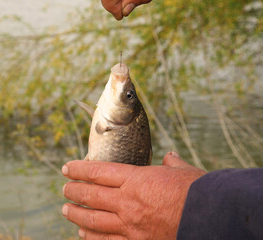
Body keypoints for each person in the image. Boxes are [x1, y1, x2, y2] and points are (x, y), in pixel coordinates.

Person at [61, 1, 263, 239]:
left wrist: (198, 211)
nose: (125, 85)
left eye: (128, 95)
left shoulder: (106, 119)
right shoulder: (107, 119)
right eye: (129, 95)